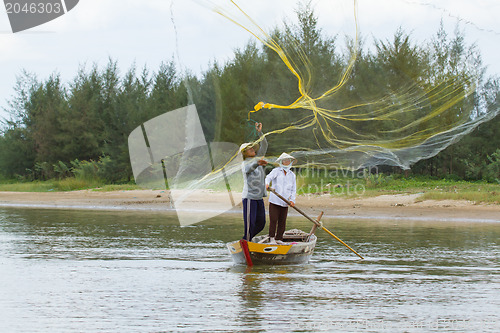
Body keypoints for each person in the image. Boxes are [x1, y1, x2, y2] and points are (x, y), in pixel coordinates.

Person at [240, 122, 268, 241]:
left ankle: (246, 240)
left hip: (258, 198)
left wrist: (260, 133)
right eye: (248, 149)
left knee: (261, 223)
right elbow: (249, 168)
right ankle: (246, 242)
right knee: (249, 225)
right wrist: (257, 163)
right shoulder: (244, 164)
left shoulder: (257, 158)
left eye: (252, 148)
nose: (252, 149)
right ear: (244, 153)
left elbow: (265, 145)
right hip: (249, 198)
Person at [265, 152, 296, 244]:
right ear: (281, 162)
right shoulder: (276, 171)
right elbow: (268, 177)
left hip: (285, 201)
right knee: (274, 220)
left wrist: (292, 200)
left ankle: (279, 238)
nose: (286, 162)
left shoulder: (292, 175)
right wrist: (266, 184)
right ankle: (272, 238)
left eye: (288, 161)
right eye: (284, 161)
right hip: (275, 200)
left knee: (282, 221)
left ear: (290, 162)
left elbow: (293, 189)